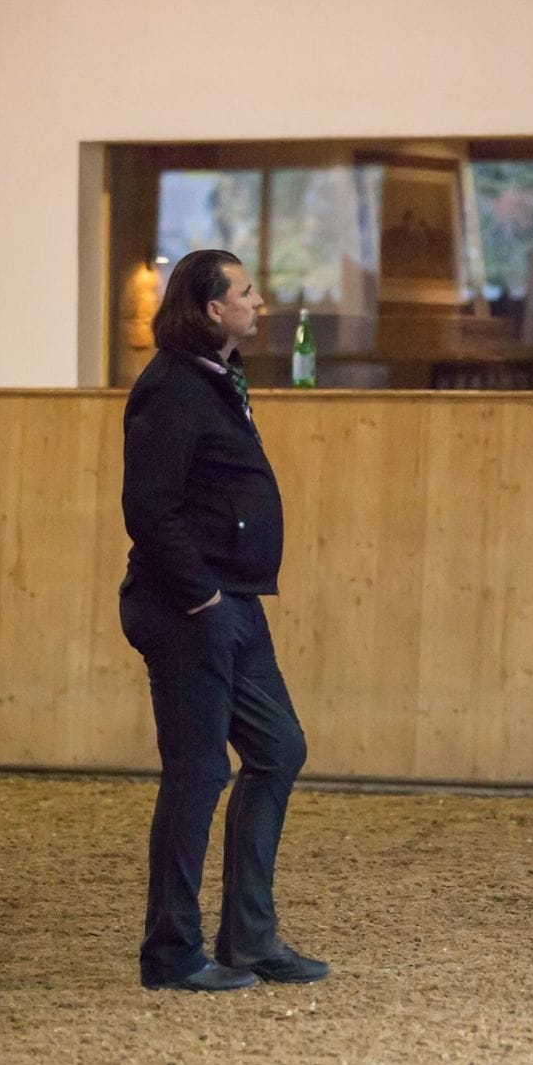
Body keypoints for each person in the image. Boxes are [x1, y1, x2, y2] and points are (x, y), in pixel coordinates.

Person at [119, 249, 328, 992]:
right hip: (191, 610)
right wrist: (201, 596)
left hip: (235, 603)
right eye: (245, 291)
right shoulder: (173, 388)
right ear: (212, 308)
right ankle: (172, 954)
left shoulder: (218, 380)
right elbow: (148, 506)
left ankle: (248, 937)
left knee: (279, 749)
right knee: (199, 773)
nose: (258, 300)